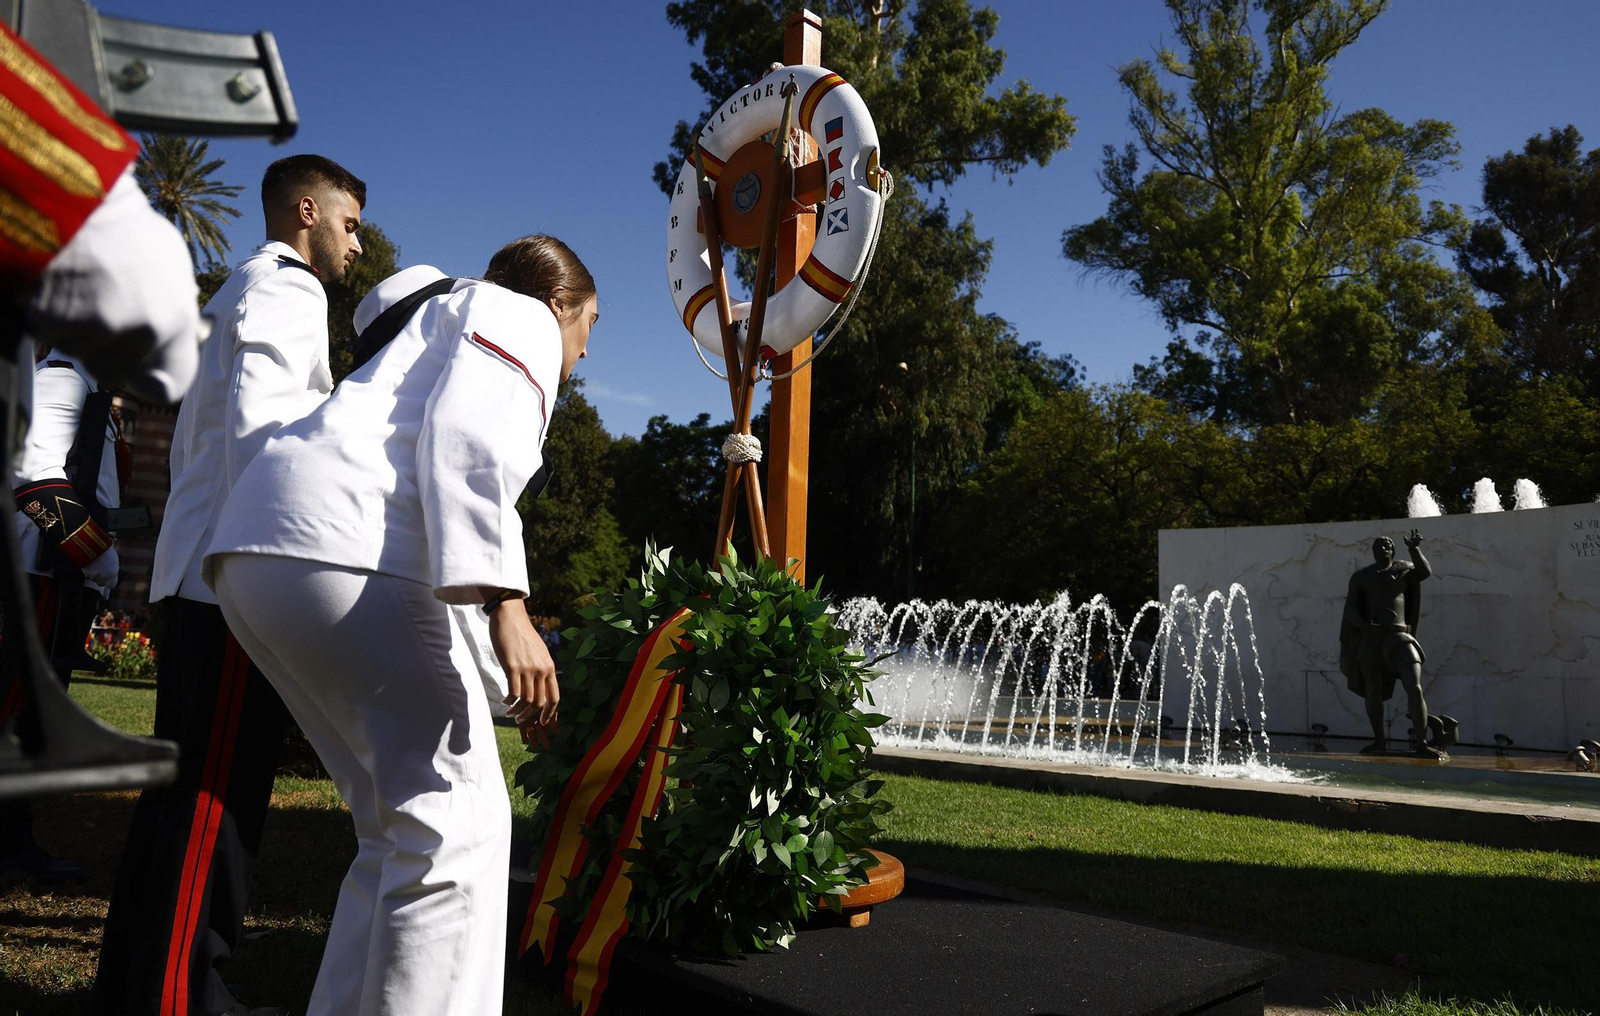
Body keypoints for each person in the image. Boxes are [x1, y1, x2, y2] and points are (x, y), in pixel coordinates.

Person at [205, 235, 595, 1016]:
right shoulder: (519, 314)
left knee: (396, 832)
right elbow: (468, 441)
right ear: (561, 306)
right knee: (457, 831)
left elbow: (429, 576)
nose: (579, 358)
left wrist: (510, 687)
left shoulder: (438, 325)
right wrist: (509, 604)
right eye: (588, 328)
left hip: (262, 549)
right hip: (339, 546)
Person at [93, 155, 366, 1016]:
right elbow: (269, 435)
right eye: (351, 225)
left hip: (200, 574)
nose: (355, 245)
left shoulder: (236, 290)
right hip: (232, 581)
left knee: (180, 800)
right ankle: (183, 998)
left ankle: (134, 985)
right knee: (216, 803)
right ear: (308, 211)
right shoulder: (288, 288)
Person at [3, 346, 126, 879]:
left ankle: (13, 843)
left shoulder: (84, 384)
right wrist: (97, 554)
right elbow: (30, 471)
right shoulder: (62, 380)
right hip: (34, 576)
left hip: (51, 576)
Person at [1339, 530, 1443, 759]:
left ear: (1393, 550)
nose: (1383, 548)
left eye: (1387, 545)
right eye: (1378, 546)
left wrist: (1414, 549)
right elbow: (1351, 609)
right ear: (1373, 552)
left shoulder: (1404, 570)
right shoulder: (1361, 577)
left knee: (1414, 687)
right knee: (1372, 692)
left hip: (1400, 637)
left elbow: (1425, 572)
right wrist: (1364, 625)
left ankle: (1422, 742)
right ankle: (1379, 741)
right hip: (1371, 639)